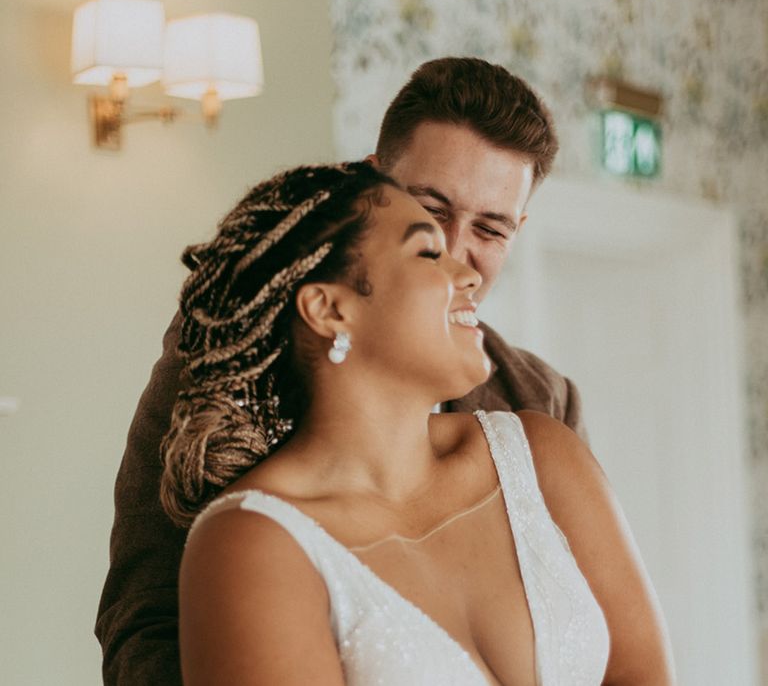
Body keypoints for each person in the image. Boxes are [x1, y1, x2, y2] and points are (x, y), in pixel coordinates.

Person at [97, 58, 583, 684]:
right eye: (430, 210)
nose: (458, 252)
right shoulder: (237, 355)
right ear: (371, 184)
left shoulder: (540, 404)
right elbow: (146, 618)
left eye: (490, 229)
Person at [161, 161, 674, 684]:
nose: (469, 273)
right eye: (428, 250)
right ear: (328, 308)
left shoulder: (543, 454)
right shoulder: (253, 544)